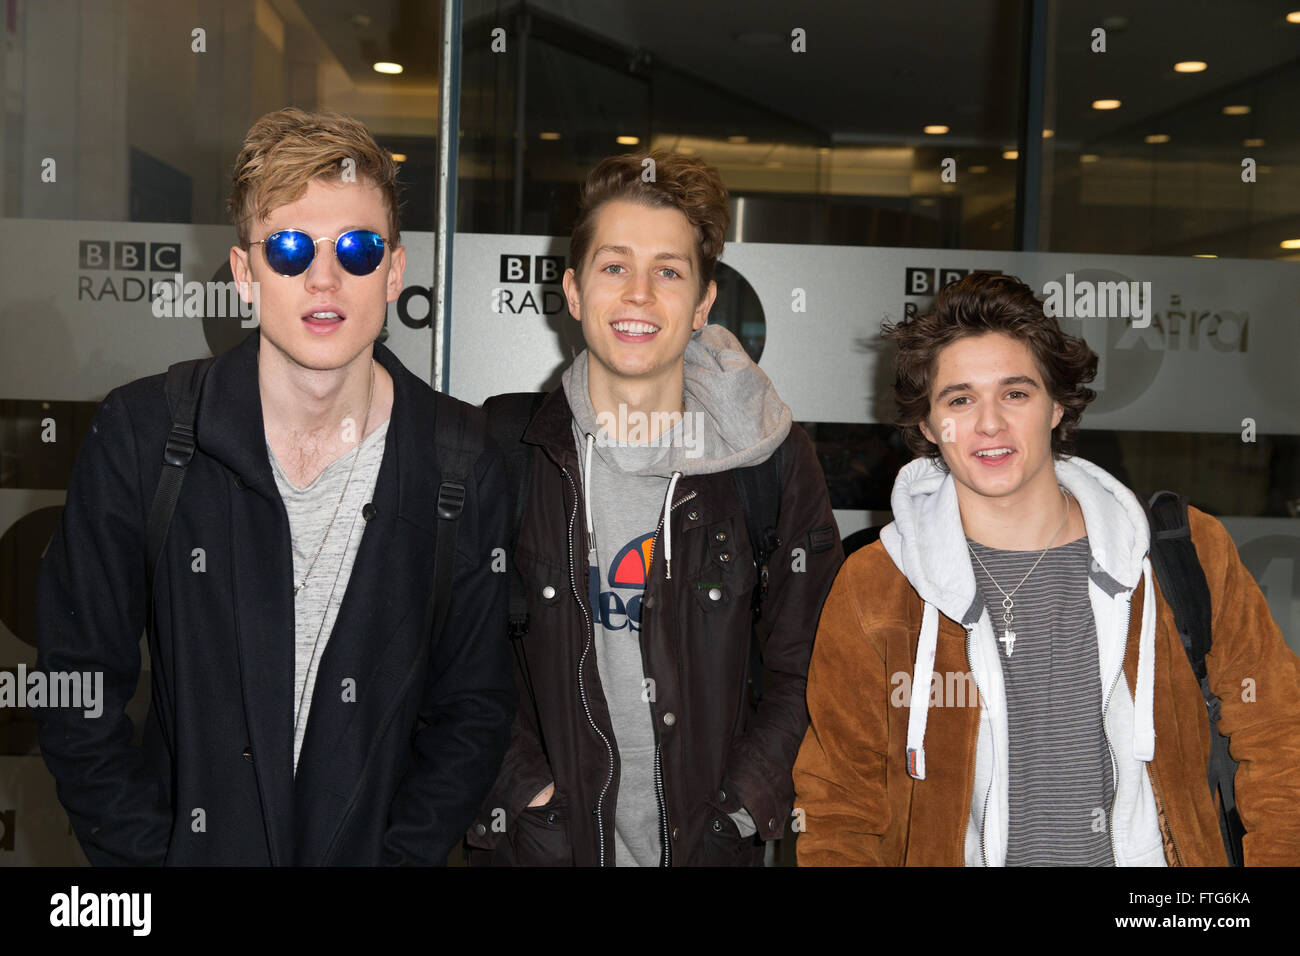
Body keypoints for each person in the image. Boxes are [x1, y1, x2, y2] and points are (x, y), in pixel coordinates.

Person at [35, 107, 515, 865]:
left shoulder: (459, 459)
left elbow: (475, 713)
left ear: (394, 272)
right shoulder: (144, 435)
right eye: (289, 248)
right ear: (244, 274)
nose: (323, 277)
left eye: (356, 249)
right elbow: (76, 689)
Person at [794, 271, 1300, 866]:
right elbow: (838, 804)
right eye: (960, 399)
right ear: (929, 427)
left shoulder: (1184, 554)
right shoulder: (878, 585)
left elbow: (1278, 742)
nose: (989, 424)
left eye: (1016, 393)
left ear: (1056, 406)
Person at [465, 150, 843, 866]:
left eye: (668, 271)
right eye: (614, 267)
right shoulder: (502, 448)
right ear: (573, 292)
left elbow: (813, 668)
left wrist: (735, 814)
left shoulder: (771, 462)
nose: (639, 294)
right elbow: (451, 657)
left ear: (702, 303)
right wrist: (527, 796)